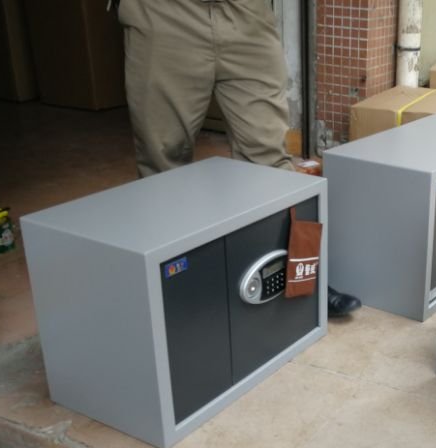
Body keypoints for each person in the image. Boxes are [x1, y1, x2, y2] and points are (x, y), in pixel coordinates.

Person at [116, 0, 361, 317]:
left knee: (270, 162)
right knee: (163, 162)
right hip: (165, 14)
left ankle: (303, 279)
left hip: (247, 14)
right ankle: (176, 296)